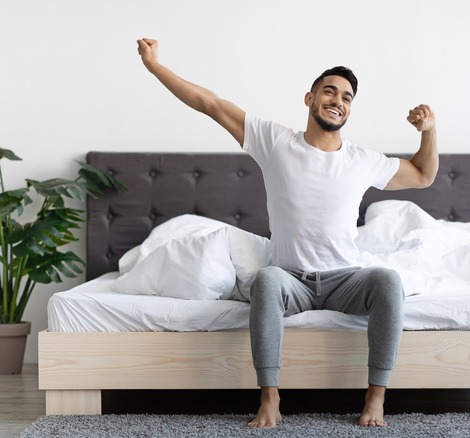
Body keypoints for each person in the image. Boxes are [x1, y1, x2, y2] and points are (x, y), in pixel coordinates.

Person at [136, 38, 438, 428]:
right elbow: (209, 103)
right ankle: (270, 399)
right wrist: (155, 66)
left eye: (347, 96)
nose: (338, 99)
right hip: (291, 280)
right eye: (329, 90)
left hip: (345, 278)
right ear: (310, 98)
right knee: (265, 279)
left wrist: (429, 131)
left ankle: (375, 397)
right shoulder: (275, 141)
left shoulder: (362, 161)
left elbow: (423, 174)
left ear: (350, 109)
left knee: (387, 281)